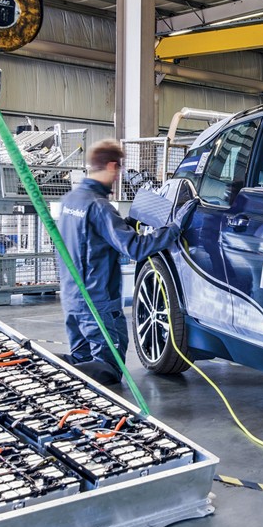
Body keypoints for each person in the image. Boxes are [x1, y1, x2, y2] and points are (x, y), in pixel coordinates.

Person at [56, 139, 194, 386]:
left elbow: (87, 240)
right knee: (108, 369)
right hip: (98, 303)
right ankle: (49, 367)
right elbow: (135, 248)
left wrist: (123, 225)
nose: (118, 176)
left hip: (72, 300)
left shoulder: (70, 201)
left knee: (81, 359)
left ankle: (52, 369)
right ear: (111, 166)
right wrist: (174, 228)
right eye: (118, 170)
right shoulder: (100, 207)